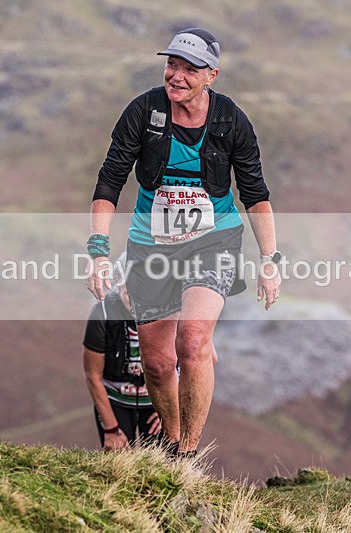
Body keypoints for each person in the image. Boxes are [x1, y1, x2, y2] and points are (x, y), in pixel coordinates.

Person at [85, 28, 282, 456]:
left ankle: (188, 453)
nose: (176, 76)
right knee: (156, 364)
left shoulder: (231, 121)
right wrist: (98, 251)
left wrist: (270, 260)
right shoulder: (143, 111)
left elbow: (255, 194)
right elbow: (110, 181)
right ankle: (172, 441)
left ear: (211, 75)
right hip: (151, 247)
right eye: (172, 65)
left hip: (213, 241)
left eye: (189, 69)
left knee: (191, 342)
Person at [83, 253, 162, 451]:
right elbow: (93, 376)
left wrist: (174, 410)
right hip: (115, 399)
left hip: (158, 400)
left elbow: (203, 358)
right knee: (118, 461)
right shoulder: (102, 313)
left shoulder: (172, 309)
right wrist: (111, 429)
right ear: (118, 287)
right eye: (129, 293)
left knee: (161, 466)